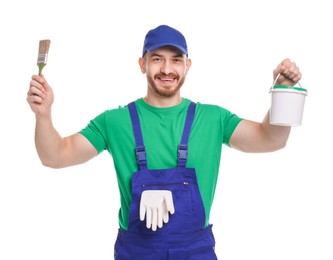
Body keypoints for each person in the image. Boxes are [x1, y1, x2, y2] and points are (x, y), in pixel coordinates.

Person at [27, 25, 302, 259]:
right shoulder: (114, 122)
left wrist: (284, 91)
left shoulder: (213, 119)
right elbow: (55, 156)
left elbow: (271, 139)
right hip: (136, 251)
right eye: (157, 59)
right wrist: (43, 114)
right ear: (142, 64)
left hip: (196, 251)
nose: (167, 69)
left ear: (187, 65)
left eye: (176, 59)